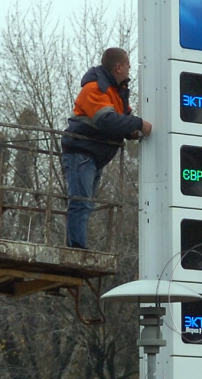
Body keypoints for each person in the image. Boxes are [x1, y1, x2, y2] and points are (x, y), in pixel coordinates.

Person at [61, 47, 152, 249]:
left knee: (85, 204)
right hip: (82, 153)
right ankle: (76, 249)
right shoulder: (96, 88)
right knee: (81, 203)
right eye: (128, 64)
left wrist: (132, 130)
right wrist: (138, 124)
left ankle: (77, 247)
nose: (130, 68)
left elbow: (121, 119)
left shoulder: (115, 92)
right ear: (118, 67)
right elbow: (107, 120)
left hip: (92, 155)